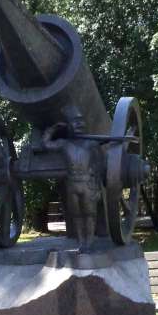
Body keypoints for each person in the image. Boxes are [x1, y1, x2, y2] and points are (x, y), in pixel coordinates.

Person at [41, 106, 103, 250]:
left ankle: (89, 242)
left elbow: (99, 167)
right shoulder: (64, 144)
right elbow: (46, 144)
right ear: (69, 126)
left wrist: (97, 187)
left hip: (87, 184)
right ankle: (81, 242)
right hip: (72, 184)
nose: (79, 125)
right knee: (77, 215)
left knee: (89, 214)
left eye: (81, 121)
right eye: (75, 122)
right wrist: (52, 130)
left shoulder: (91, 144)